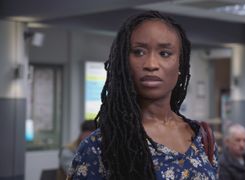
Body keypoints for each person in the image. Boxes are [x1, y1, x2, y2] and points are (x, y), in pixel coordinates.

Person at [67, 11, 219, 180]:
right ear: (124, 62)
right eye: (139, 52)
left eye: (165, 53)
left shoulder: (202, 138)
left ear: (180, 64)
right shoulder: (100, 146)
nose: (151, 64)